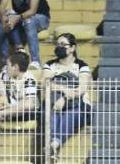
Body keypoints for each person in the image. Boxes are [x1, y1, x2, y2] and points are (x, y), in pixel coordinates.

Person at [44, 32, 93, 160]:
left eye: (63, 44)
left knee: (69, 113)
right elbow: (46, 84)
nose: (59, 47)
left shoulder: (82, 66)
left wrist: (64, 98)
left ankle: (54, 143)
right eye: (58, 44)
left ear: (72, 48)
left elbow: (81, 89)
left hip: (79, 106)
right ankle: (55, 144)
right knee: (52, 111)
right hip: (55, 104)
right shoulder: (49, 65)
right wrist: (65, 90)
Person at [0, 51, 39, 126]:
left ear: (15, 67)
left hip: (27, 114)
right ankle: (0, 114)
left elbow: (29, 105)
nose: (6, 67)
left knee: (26, 104)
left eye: (8, 65)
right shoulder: (6, 75)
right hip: (10, 110)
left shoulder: (29, 80)